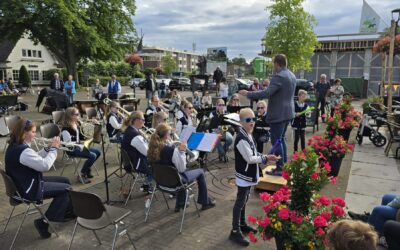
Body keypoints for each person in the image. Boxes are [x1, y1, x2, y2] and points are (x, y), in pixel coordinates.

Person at [5, 118, 75, 238]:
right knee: (67, 189)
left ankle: (65, 211)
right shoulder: (23, 151)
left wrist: (47, 149)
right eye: (33, 132)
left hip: (23, 183)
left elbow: (34, 158)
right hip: (28, 189)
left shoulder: (16, 145)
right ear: (23, 133)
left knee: (65, 181)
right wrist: (54, 149)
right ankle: (43, 222)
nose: (35, 135)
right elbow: (45, 165)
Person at [239, 54, 296, 176]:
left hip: (278, 115)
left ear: (277, 64)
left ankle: (280, 168)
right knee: (282, 140)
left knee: (276, 141)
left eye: (273, 64)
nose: (273, 66)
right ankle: (284, 165)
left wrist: (248, 93)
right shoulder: (291, 75)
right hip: (288, 113)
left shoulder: (279, 76)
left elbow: (267, 93)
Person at [229, 108, 280, 246]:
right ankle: (235, 230)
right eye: (248, 120)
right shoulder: (241, 138)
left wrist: (265, 157)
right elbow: (250, 158)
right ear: (241, 122)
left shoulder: (248, 134)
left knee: (244, 200)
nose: (252, 122)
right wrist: (265, 158)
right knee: (240, 201)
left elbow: (253, 152)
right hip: (244, 175)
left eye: (253, 119)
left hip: (247, 174)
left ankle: (242, 223)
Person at [147, 123, 216, 212]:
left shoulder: (151, 149)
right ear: (166, 135)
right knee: (200, 171)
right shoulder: (171, 151)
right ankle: (205, 202)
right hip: (175, 184)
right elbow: (182, 168)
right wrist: (182, 151)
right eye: (169, 134)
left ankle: (180, 203)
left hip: (160, 183)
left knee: (175, 173)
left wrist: (177, 152)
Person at [61, 107, 101, 184]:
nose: (79, 116)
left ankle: (86, 170)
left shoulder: (77, 124)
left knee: (98, 152)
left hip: (79, 147)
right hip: (71, 150)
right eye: (77, 114)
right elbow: (68, 144)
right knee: (92, 156)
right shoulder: (65, 129)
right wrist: (80, 144)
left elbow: (82, 136)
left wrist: (93, 125)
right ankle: (82, 174)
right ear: (71, 116)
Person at [121, 111, 153, 193]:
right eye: (143, 119)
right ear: (136, 121)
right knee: (160, 163)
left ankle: (147, 184)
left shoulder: (129, 130)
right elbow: (147, 153)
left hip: (131, 162)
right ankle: (147, 184)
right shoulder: (135, 136)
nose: (144, 122)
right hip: (137, 164)